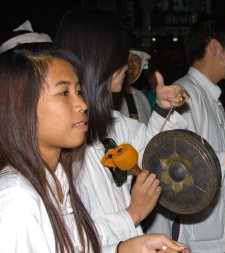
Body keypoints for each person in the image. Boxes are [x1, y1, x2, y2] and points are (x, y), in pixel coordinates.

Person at [0, 42, 189, 253]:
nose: (82, 104)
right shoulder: (17, 199)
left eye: (78, 91)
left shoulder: (57, 178)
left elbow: (76, 245)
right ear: (20, 105)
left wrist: (124, 249)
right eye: (64, 93)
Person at [55, 7, 189, 251]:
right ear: (99, 59)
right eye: (120, 54)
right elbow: (69, 238)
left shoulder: (112, 121)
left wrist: (161, 109)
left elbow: (151, 152)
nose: (127, 62)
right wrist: (132, 214)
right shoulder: (60, 144)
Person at [145, 15, 225, 252]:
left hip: (214, 230)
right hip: (189, 237)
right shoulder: (184, 93)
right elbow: (174, 165)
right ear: (216, 47)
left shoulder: (211, 97)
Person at [115, 42, 152, 125]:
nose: (130, 64)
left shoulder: (142, 98)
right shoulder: (102, 100)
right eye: (124, 58)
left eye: (135, 58)